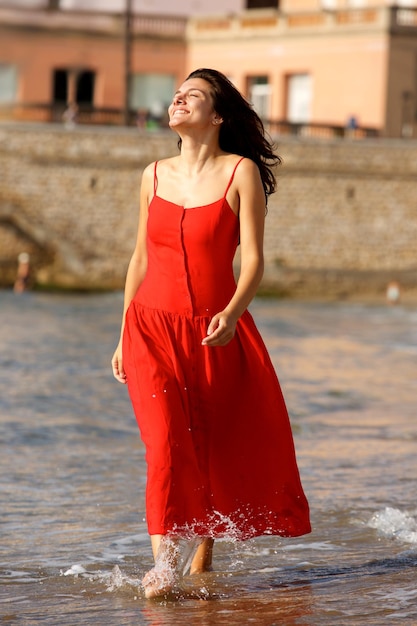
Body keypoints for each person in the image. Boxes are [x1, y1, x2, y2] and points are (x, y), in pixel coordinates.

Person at [112, 68, 311, 599]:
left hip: (213, 332)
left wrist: (233, 310)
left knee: (211, 447)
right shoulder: (151, 174)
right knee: (165, 444)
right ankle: (164, 566)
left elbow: (254, 262)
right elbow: (139, 258)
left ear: (217, 115)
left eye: (192, 95)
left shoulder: (239, 172)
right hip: (149, 328)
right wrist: (121, 331)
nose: (177, 98)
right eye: (176, 93)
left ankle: (202, 550)